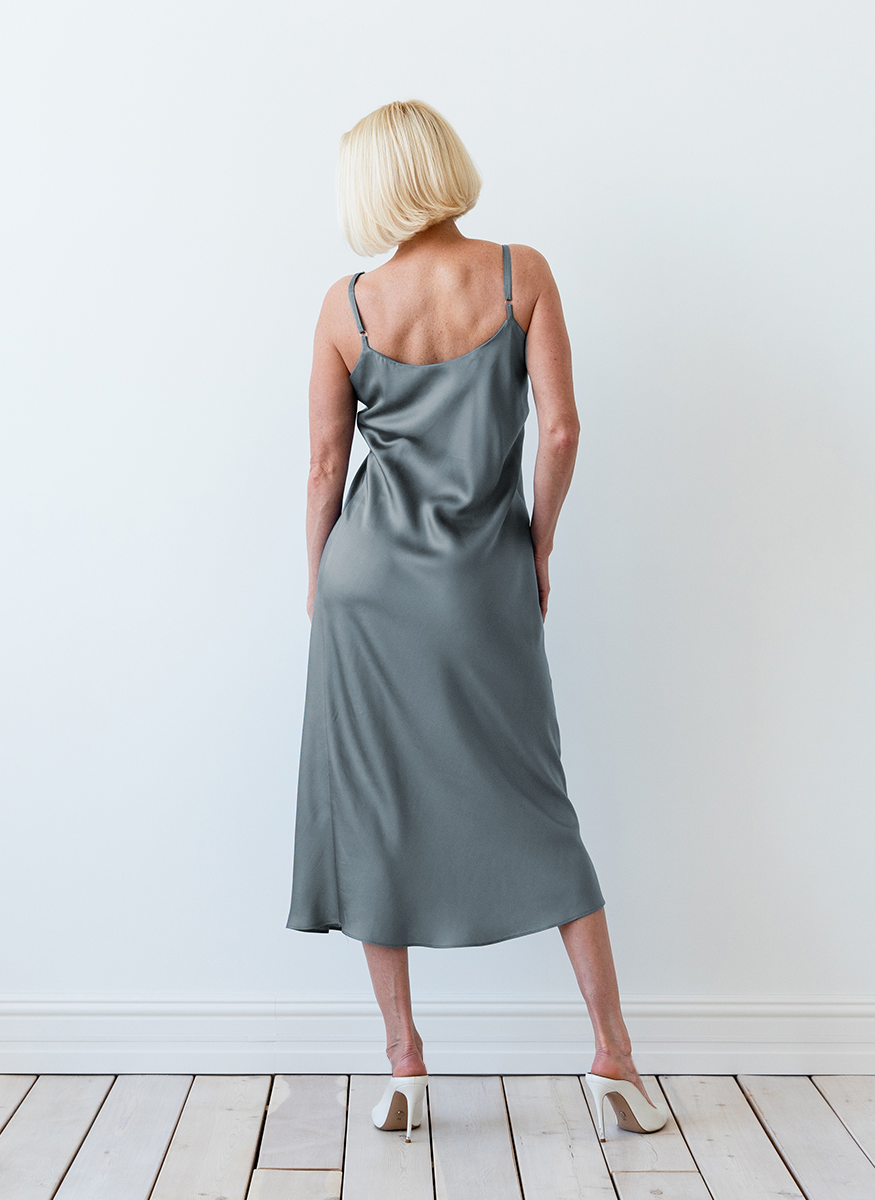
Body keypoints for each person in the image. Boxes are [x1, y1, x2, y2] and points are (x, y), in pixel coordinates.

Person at [286, 99, 666, 1143]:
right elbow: (562, 430)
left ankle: (404, 1064)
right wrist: (536, 546)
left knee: (375, 811)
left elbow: (323, 467)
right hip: (482, 581)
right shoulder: (518, 274)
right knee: (538, 801)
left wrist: (319, 583)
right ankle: (614, 1055)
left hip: (367, 588)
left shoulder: (348, 306)